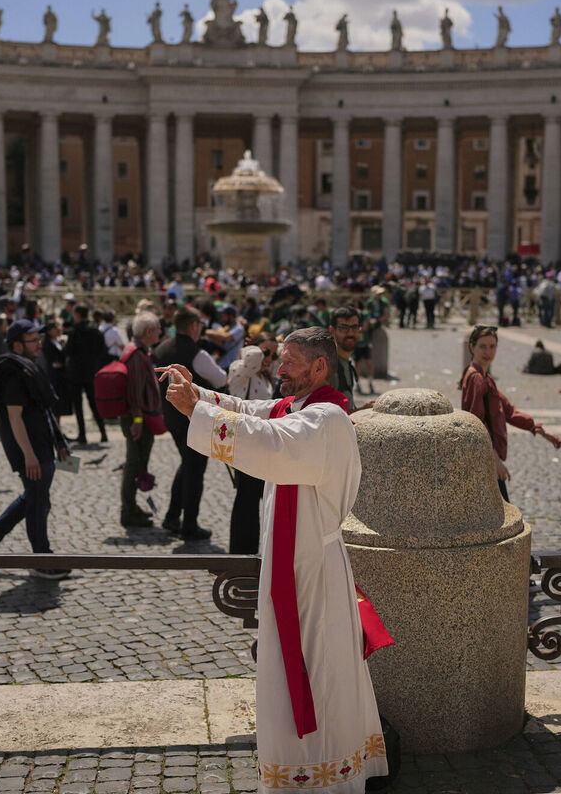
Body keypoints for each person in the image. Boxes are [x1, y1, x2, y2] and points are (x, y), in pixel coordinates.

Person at [157, 326, 389, 791]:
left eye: (289, 361)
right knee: (293, 669)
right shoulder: (296, 408)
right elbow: (250, 411)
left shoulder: (326, 421)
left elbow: (270, 444)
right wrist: (198, 391)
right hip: (292, 563)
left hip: (313, 574)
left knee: (318, 667)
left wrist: (196, 413)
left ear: (319, 367)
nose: (277, 369)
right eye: (278, 359)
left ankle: (325, 773)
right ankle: (298, 767)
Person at [0, 320, 71, 579]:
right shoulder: (14, 375)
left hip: (42, 446)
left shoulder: (27, 368)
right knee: (38, 502)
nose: (39, 344)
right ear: (17, 344)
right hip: (31, 450)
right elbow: (15, 418)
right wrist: (29, 455)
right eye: (33, 340)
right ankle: (40, 559)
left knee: (35, 497)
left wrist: (59, 441)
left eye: (40, 339)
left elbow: (43, 409)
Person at [460, 325, 561, 502]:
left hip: (486, 458)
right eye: (483, 346)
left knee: (498, 516)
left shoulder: (485, 377)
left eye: (492, 346)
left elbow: (509, 411)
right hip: (484, 458)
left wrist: (540, 431)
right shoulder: (476, 378)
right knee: (502, 516)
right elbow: (476, 423)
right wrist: (495, 460)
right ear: (472, 347)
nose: (488, 351)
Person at [153, 307, 227, 541]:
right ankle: (189, 525)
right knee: (195, 469)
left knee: (187, 464)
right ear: (194, 326)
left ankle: (173, 517)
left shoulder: (162, 347)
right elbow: (221, 379)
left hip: (170, 415)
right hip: (192, 416)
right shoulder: (198, 353)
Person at [225, 332, 278, 554]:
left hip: (261, 444)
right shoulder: (240, 369)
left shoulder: (267, 375)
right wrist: (256, 349)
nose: (268, 358)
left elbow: (283, 359)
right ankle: (241, 552)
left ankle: (252, 550)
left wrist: (275, 351)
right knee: (246, 498)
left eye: (273, 355)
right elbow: (253, 358)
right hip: (245, 443)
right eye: (265, 352)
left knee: (255, 497)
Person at [120, 311, 163, 528]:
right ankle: (127, 511)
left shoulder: (138, 351)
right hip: (138, 420)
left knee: (138, 463)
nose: (160, 332)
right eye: (157, 329)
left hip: (140, 418)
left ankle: (132, 506)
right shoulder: (136, 355)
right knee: (134, 464)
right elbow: (134, 392)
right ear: (148, 332)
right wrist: (137, 422)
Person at [62, 304, 109, 445]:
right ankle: (103, 432)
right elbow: (103, 350)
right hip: (91, 371)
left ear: (77, 315)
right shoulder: (96, 330)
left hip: (76, 372)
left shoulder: (75, 331)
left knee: (79, 405)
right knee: (94, 404)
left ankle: (82, 434)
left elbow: (68, 351)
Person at [329, 306, 360, 411]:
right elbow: (329, 415)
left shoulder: (346, 363)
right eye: (344, 328)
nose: (350, 333)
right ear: (332, 330)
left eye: (354, 327)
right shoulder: (329, 368)